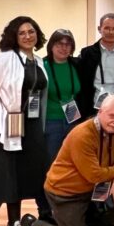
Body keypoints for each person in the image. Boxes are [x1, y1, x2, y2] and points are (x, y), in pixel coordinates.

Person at [11, 95, 114, 226]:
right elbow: (94, 175)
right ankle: (33, 225)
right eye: (112, 116)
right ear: (100, 112)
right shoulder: (83, 135)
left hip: (91, 188)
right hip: (66, 192)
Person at [0, 16, 52, 226]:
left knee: (22, 173)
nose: (28, 36)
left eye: (31, 32)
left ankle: (14, 222)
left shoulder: (38, 61)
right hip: (8, 123)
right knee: (3, 174)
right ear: (13, 36)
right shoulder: (4, 60)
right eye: (22, 33)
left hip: (30, 124)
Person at [76, 13, 114, 116]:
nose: (110, 32)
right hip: (94, 108)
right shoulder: (87, 53)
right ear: (99, 29)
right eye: (106, 28)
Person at [42, 29, 82, 166]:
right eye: (59, 44)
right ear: (51, 45)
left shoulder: (76, 65)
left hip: (73, 120)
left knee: (72, 162)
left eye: (68, 44)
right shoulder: (43, 66)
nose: (63, 48)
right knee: (53, 163)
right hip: (51, 122)